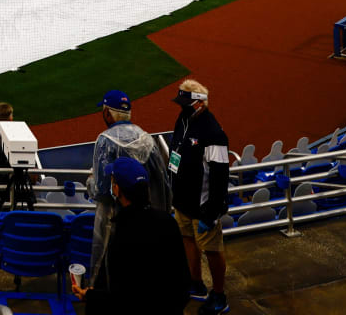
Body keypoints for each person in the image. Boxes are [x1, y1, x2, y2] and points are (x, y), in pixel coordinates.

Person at [72, 157, 191, 314]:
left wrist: (90, 295)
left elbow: (123, 297)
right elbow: (182, 282)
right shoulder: (168, 222)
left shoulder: (121, 233)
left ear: (117, 190)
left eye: (113, 182)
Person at [88, 90, 172, 277]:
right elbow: (163, 183)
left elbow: (102, 190)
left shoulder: (104, 141)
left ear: (108, 113)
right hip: (145, 218)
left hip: (115, 221)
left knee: (113, 269)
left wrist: (89, 182)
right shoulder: (147, 139)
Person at [169, 79, 231, 314]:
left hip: (203, 204)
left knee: (212, 249)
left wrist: (213, 210)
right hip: (182, 199)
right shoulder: (183, 120)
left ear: (199, 104)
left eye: (186, 103)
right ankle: (195, 282)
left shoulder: (213, 132)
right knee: (187, 239)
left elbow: (219, 173)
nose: (181, 107)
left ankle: (219, 294)